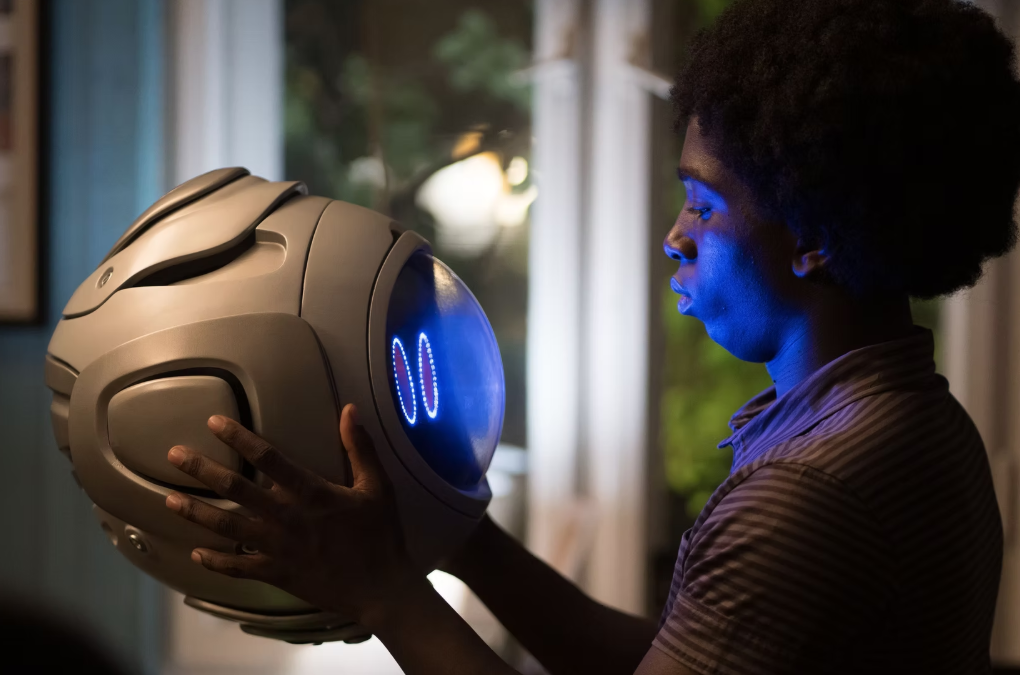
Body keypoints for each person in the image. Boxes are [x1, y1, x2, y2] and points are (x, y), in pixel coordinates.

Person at [157, 0, 1020, 672]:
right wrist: (459, 534)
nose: (675, 236)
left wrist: (381, 593)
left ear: (816, 237)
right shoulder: (915, 425)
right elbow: (673, 658)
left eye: (704, 204)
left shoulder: (809, 493)